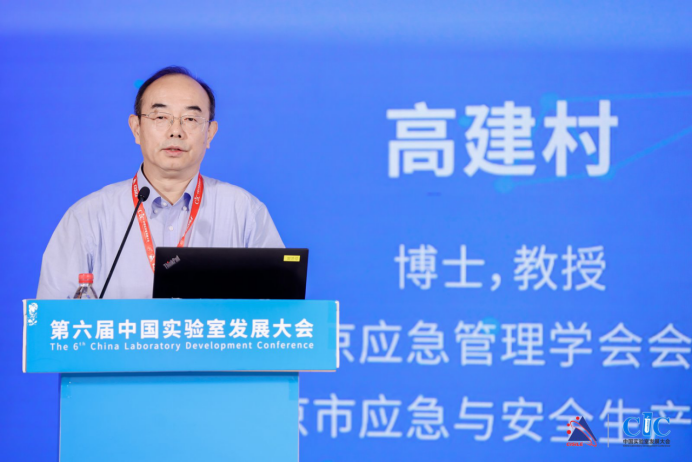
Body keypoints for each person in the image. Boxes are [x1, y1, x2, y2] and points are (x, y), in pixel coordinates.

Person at [37, 66, 283, 299]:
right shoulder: (88, 217)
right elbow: (51, 320)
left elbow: (280, 308)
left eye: (190, 119)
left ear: (209, 133)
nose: (175, 131)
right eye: (161, 117)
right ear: (136, 128)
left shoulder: (244, 212)